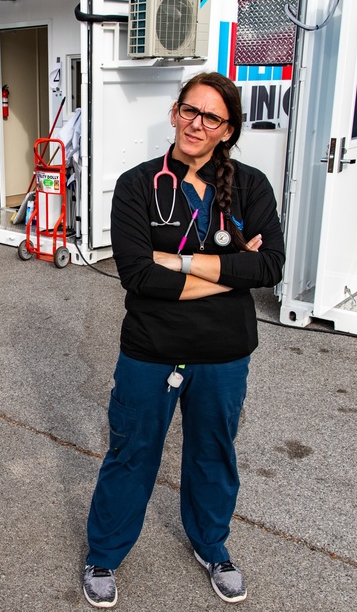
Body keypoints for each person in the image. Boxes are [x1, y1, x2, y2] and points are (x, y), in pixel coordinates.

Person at [81, 72, 285, 608]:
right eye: (190, 111)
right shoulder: (137, 185)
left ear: (227, 130)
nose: (197, 124)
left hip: (224, 354)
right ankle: (103, 553)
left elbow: (268, 268)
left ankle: (212, 545)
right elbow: (140, 277)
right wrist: (229, 270)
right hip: (151, 350)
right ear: (174, 113)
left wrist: (181, 261)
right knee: (132, 452)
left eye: (211, 117)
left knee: (213, 453)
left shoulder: (251, 186)